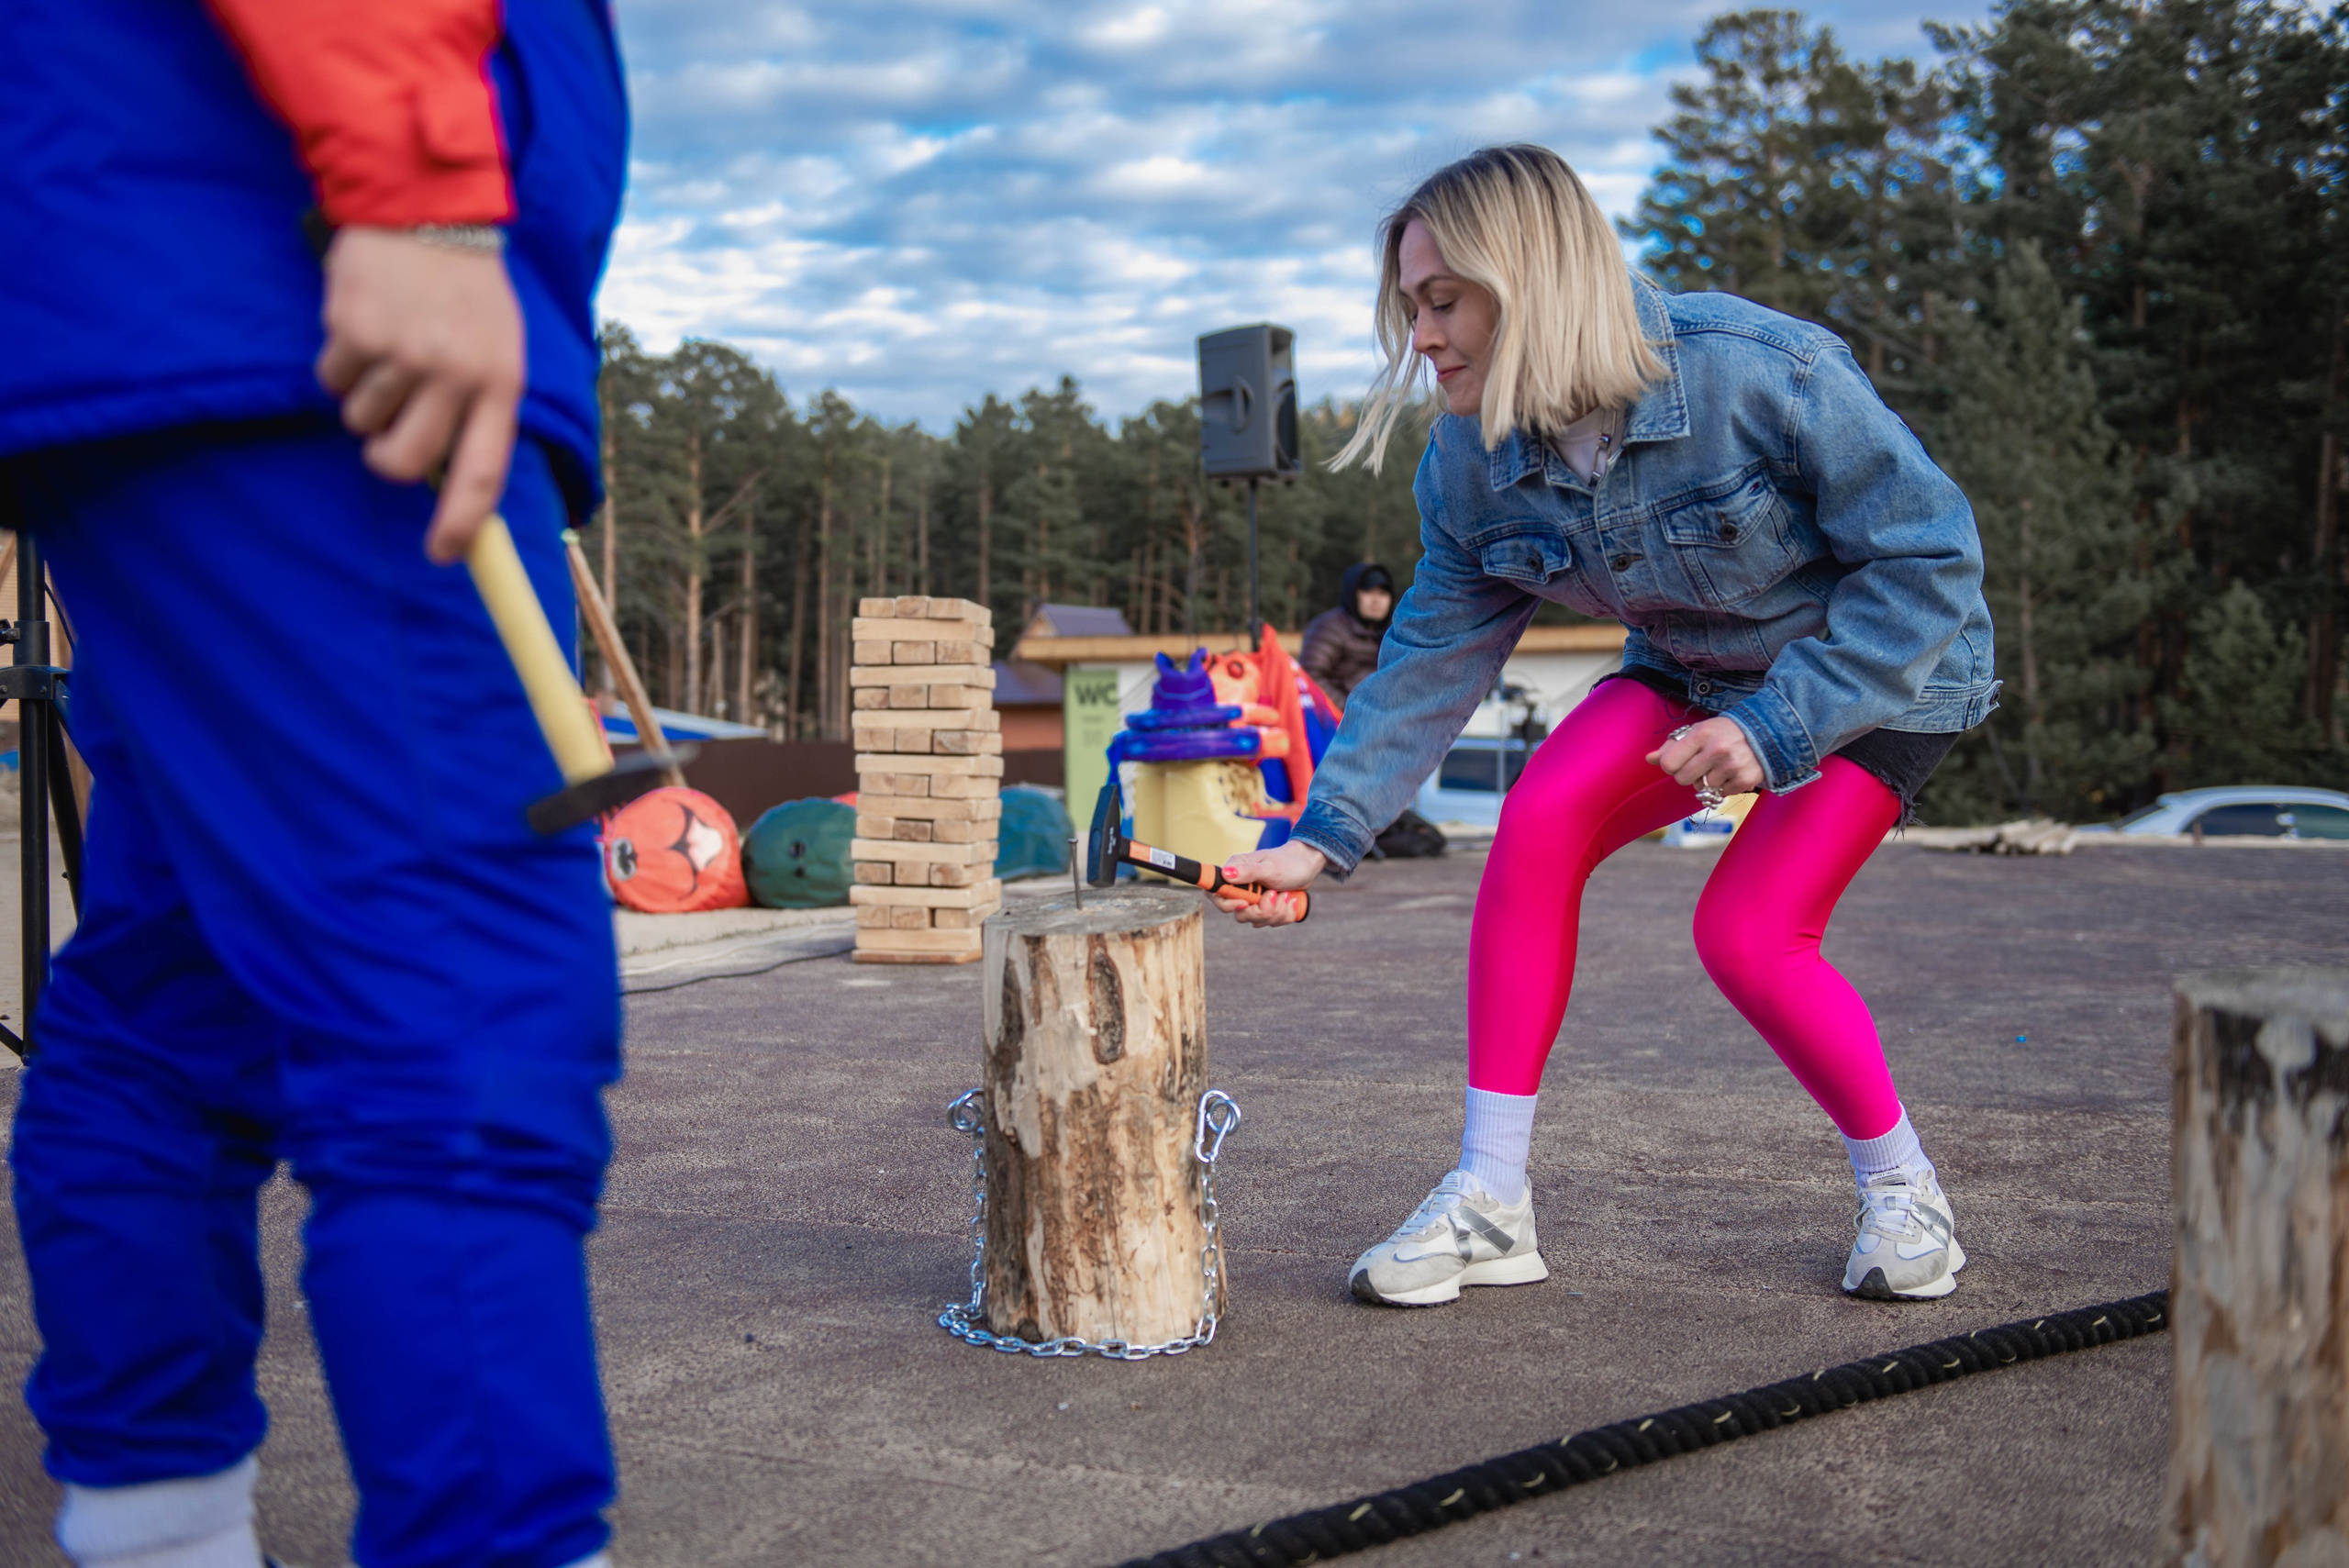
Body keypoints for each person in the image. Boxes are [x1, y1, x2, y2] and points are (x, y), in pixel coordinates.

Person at [3, 4, 628, 1566]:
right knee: (461, 985)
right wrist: (412, 175)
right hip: (268, 276)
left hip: (143, 287)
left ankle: (154, 1526)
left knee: (175, 975)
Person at [1217, 145, 1997, 1308]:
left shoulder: (1756, 372)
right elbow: (1431, 651)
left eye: (1441, 302)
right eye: (1408, 308)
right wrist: (1320, 833)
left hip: (1879, 670)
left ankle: (1904, 1189)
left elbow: (1931, 561)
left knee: (1747, 931)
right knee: (1538, 818)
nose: (1420, 336)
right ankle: (1490, 1199)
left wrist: (1781, 726)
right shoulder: (1470, 461)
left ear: (1528, 279)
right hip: (1691, 666)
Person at [1300, 562, 1396, 705]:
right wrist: (1352, 711)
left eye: (1383, 593)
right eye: (1368, 591)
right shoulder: (1329, 627)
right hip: (1338, 720)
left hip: (1387, 719)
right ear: (1352, 593)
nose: (1376, 600)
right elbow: (1311, 676)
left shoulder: (1396, 633)